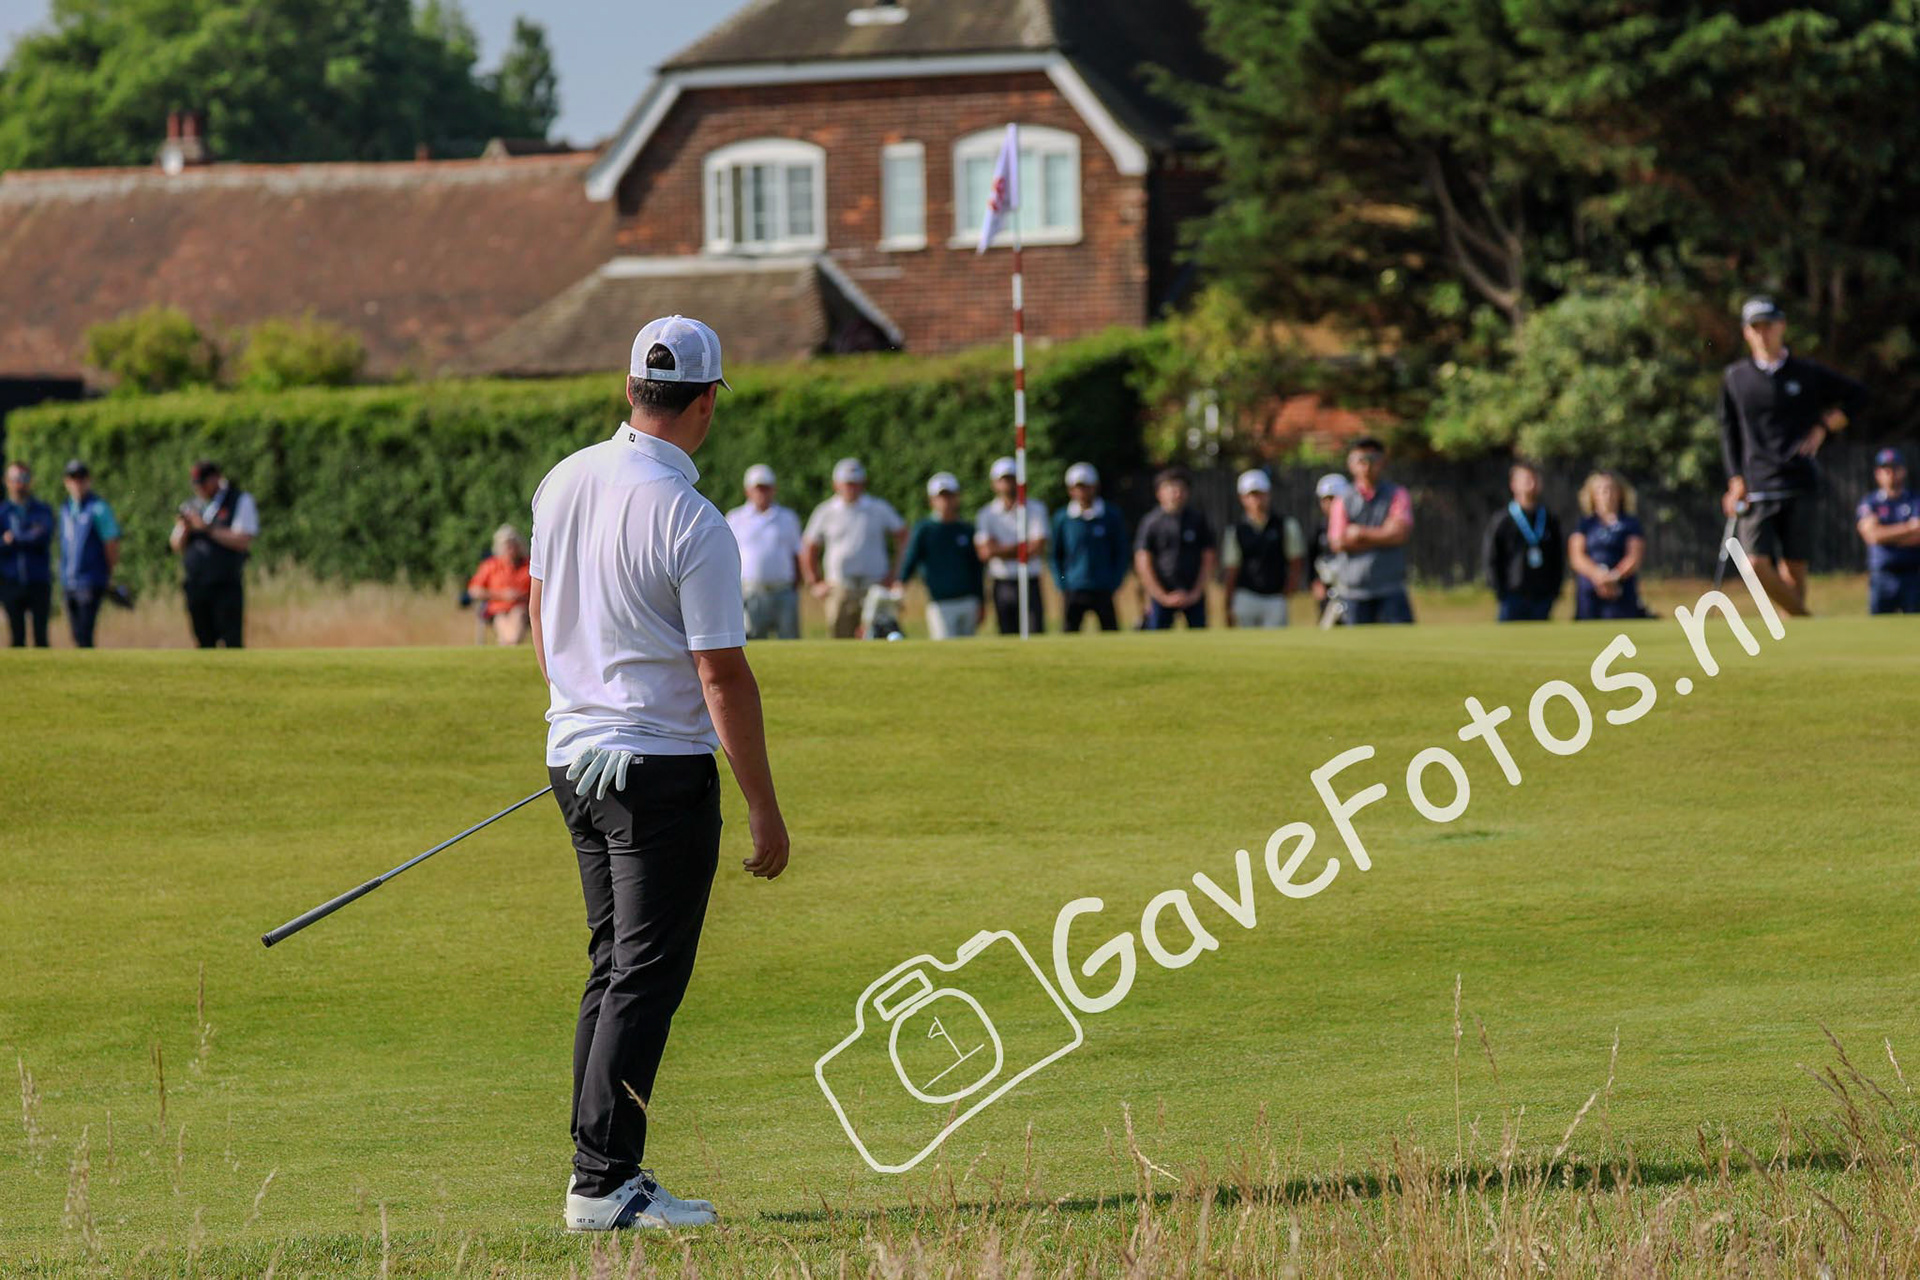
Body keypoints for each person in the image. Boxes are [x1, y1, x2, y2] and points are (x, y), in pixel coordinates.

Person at [529, 314, 788, 1233]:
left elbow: (541, 615)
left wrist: (577, 714)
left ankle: (597, 1173)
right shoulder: (693, 520)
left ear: (631, 387)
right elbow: (721, 673)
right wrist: (764, 808)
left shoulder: (563, 480)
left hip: (577, 763)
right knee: (643, 974)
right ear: (708, 401)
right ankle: (603, 1182)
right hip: (658, 776)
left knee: (615, 969)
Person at [1718, 296, 1867, 617]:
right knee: (1753, 564)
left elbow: (1858, 395)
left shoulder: (1806, 372)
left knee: (1795, 567)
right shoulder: (1735, 378)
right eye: (1755, 327)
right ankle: (1804, 618)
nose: (1763, 333)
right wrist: (1734, 480)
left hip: (1799, 480)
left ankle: (1795, 642)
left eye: (1768, 325)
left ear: (1781, 326)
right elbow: (1728, 432)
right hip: (1757, 484)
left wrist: (1824, 426)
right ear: (1746, 333)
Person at [801, 458, 906, 639]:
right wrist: (814, 582)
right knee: (839, 637)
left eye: (855, 484)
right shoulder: (825, 511)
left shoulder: (878, 508)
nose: (851, 488)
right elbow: (809, 547)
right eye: (847, 483)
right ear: (837, 485)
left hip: (875, 584)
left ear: (863, 484)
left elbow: (903, 535)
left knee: (879, 635)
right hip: (840, 587)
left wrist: (895, 574)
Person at [168, 460, 258, 648]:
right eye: (196, 484)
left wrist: (207, 529)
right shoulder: (191, 505)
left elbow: (242, 540)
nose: (199, 488)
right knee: (203, 641)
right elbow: (175, 544)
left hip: (226, 584)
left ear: (216, 478)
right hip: (196, 584)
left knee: (231, 641)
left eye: (203, 483)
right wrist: (185, 527)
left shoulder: (239, 499)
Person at [1327, 437, 1414, 625]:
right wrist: (1384, 534)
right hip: (1354, 593)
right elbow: (1338, 542)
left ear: (1382, 462)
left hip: (1391, 589)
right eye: (1361, 460)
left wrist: (1359, 533)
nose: (1367, 465)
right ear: (1351, 464)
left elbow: (1400, 534)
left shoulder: (1397, 494)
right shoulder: (1342, 500)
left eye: (1373, 459)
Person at [898, 472, 984, 639]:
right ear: (932, 500)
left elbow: (977, 568)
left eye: (950, 496)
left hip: (968, 601)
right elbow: (911, 560)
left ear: (957, 497)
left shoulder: (966, 529)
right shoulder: (924, 530)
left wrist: (981, 601)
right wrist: (901, 584)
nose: (946, 501)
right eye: (941, 497)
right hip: (940, 603)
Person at [725, 464, 804, 641]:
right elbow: (727, 557)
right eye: (758, 488)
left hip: (783, 590)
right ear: (748, 491)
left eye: (766, 488)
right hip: (751, 591)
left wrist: (797, 585)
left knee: (790, 641)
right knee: (752, 641)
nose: (762, 493)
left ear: (773, 489)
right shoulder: (735, 518)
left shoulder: (788, 517)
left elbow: (797, 553)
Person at [1133, 466, 1216, 630]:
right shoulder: (1151, 523)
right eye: (1171, 488)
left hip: (1193, 595)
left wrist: (1195, 593)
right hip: (1160, 596)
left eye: (1181, 489)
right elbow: (1142, 561)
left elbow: (1208, 558)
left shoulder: (1197, 520)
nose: (1176, 493)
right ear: (1159, 493)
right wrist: (1161, 595)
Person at [1050, 462, 1129, 632]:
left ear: (1095, 487)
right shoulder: (1062, 518)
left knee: (1110, 633)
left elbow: (1121, 551)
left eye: (1086, 486)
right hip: (1073, 587)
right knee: (1069, 633)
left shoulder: (1111, 515)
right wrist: (1062, 582)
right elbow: (1056, 554)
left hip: (1103, 586)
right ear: (1070, 489)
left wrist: (1115, 580)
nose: (1082, 491)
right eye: (1078, 487)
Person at [1482, 461, 1566, 622]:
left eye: (1535, 479)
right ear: (1513, 484)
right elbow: (1491, 557)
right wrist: (1499, 591)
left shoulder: (1549, 519)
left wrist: (1554, 591)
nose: (1532, 484)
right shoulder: (1503, 520)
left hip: (1542, 596)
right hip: (1512, 595)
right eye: (1526, 479)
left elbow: (1558, 557)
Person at [974, 456, 1049, 635]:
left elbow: (1037, 547)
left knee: (1035, 632)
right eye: (1003, 479)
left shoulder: (1036, 509)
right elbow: (985, 552)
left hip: (1030, 581)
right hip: (1002, 583)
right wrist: (1021, 547)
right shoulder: (986, 514)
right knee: (1007, 633)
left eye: (1011, 478)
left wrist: (999, 549)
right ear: (994, 484)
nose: (1008, 483)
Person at [1222, 469, 1305, 628]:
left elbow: (1296, 562)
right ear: (1242, 498)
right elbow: (1232, 569)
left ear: (1268, 494)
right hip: (1245, 597)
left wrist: (1287, 592)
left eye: (1260, 494)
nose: (1256, 499)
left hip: (1275, 598)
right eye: (1251, 495)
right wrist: (1228, 604)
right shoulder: (1235, 531)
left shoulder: (1286, 525)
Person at [58, 460, 122, 649]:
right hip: (69, 580)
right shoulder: (65, 509)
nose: (77, 483)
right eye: (73, 478)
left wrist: (109, 572)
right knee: (76, 634)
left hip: (90, 579)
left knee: (85, 632)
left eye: (81, 478)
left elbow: (111, 543)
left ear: (88, 481)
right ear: (66, 482)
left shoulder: (98, 508)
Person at [1569, 471, 1648, 621]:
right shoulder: (1585, 524)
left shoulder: (1630, 524)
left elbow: (1634, 556)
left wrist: (1614, 577)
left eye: (1611, 489)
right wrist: (1598, 575)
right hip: (1590, 589)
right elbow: (1577, 556)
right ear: (1592, 494)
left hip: (1620, 589)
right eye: (1601, 490)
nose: (1607, 494)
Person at [1856, 446, 1920, 615]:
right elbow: (1873, 536)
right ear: (1878, 473)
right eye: (1886, 469)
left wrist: (1885, 533)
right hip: (1881, 576)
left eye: (1895, 468)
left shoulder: (1914, 500)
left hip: (1912, 575)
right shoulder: (1870, 503)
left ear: (1903, 471)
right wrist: (1907, 528)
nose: (1891, 474)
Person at [1, 462, 55, 648]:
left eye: (23, 479)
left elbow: (42, 536)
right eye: (15, 479)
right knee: (17, 637)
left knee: (41, 636)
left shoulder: (43, 510)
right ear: (7, 481)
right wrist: (26, 534)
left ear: (30, 481)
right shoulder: (2, 512)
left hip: (38, 580)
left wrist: (13, 538)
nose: (19, 484)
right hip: (10, 581)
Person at [467, 524, 534, 644]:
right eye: (507, 546)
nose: (510, 549)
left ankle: (507, 643)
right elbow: (474, 590)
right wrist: (501, 595)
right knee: (501, 619)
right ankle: (509, 643)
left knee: (518, 614)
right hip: (497, 609)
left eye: (513, 545)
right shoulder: (491, 565)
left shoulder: (529, 565)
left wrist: (521, 596)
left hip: (523, 608)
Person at [1309, 473, 1348, 622]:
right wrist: (1315, 582)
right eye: (1326, 500)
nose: (1330, 504)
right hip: (1328, 590)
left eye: (1334, 499)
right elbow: (1311, 557)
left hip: (1351, 589)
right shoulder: (1319, 529)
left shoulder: (1353, 526)